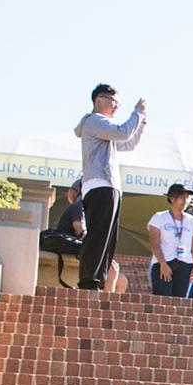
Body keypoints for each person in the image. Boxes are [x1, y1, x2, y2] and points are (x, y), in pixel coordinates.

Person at [74, 83, 146, 291]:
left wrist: (140, 123)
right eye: (113, 101)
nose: (116, 106)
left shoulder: (105, 130)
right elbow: (123, 133)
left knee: (107, 238)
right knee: (98, 235)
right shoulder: (95, 121)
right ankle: (89, 281)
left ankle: (99, 279)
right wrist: (137, 113)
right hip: (100, 184)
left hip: (109, 185)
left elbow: (129, 144)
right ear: (99, 100)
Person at [144, 183, 193, 298]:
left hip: (185, 264)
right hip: (164, 262)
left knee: (179, 302)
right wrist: (163, 264)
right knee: (162, 300)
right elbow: (154, 243)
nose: (185, 201)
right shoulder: (159, 217)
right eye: (182, 197)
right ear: (172, 198)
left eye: (188, 198)